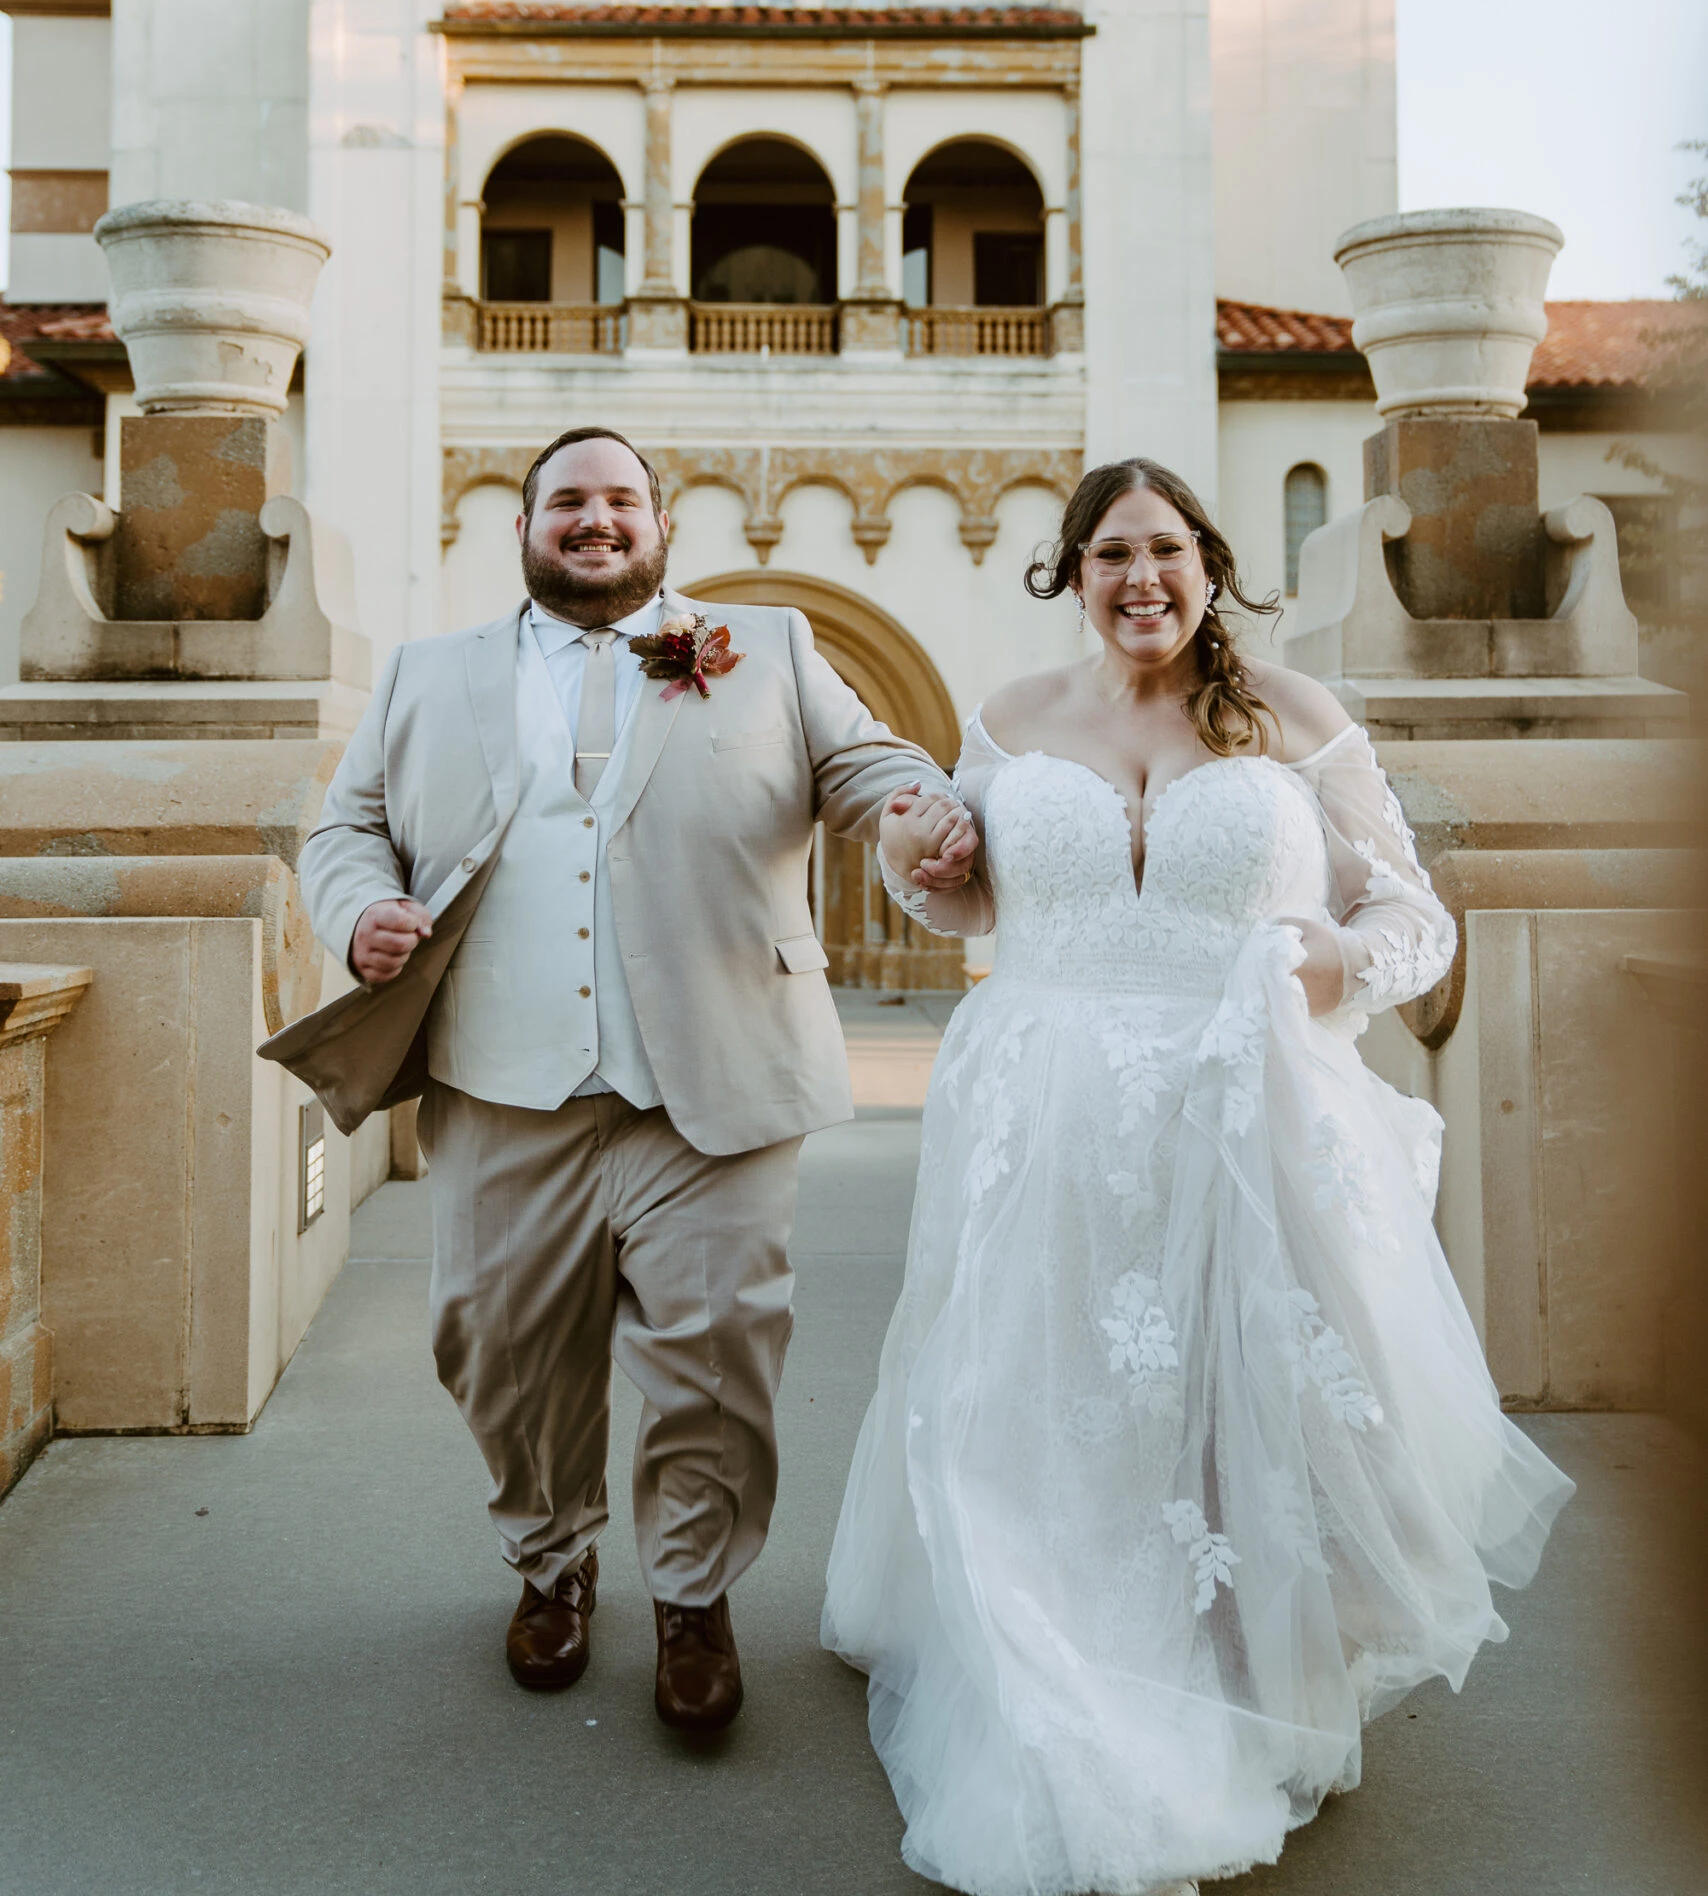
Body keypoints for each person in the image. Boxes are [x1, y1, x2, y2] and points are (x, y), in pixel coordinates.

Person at [823, 456, 1573, 1896]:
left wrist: (1342, 960)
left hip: (1245, 1110)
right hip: (1041, 1109)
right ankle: (1051, 1646)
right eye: (1111, 555)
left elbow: (1410, 910)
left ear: (1210, 565)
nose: (1141, 578)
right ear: (1071, 573)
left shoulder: (1295, 718)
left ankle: (1230, 1662)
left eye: (1165, 550)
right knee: (1038, 1396)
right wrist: (929, 862)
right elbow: (968, 895)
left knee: (1231, 1408)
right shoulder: (1010, 718)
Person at [262, 425, 974, 1732]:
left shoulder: (770, 651)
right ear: (525, 526)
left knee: (715, 1358)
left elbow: (866, 764)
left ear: (662, 526)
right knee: (498, 1351)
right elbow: (348, 826)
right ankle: (554, 1559)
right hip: (501, 1079)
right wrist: (359, 905)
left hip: (718, 1080)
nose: (597, 521)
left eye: (622, 502)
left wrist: (921, 809)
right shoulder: (429, 674)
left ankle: (695, 1598)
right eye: (568, 503)